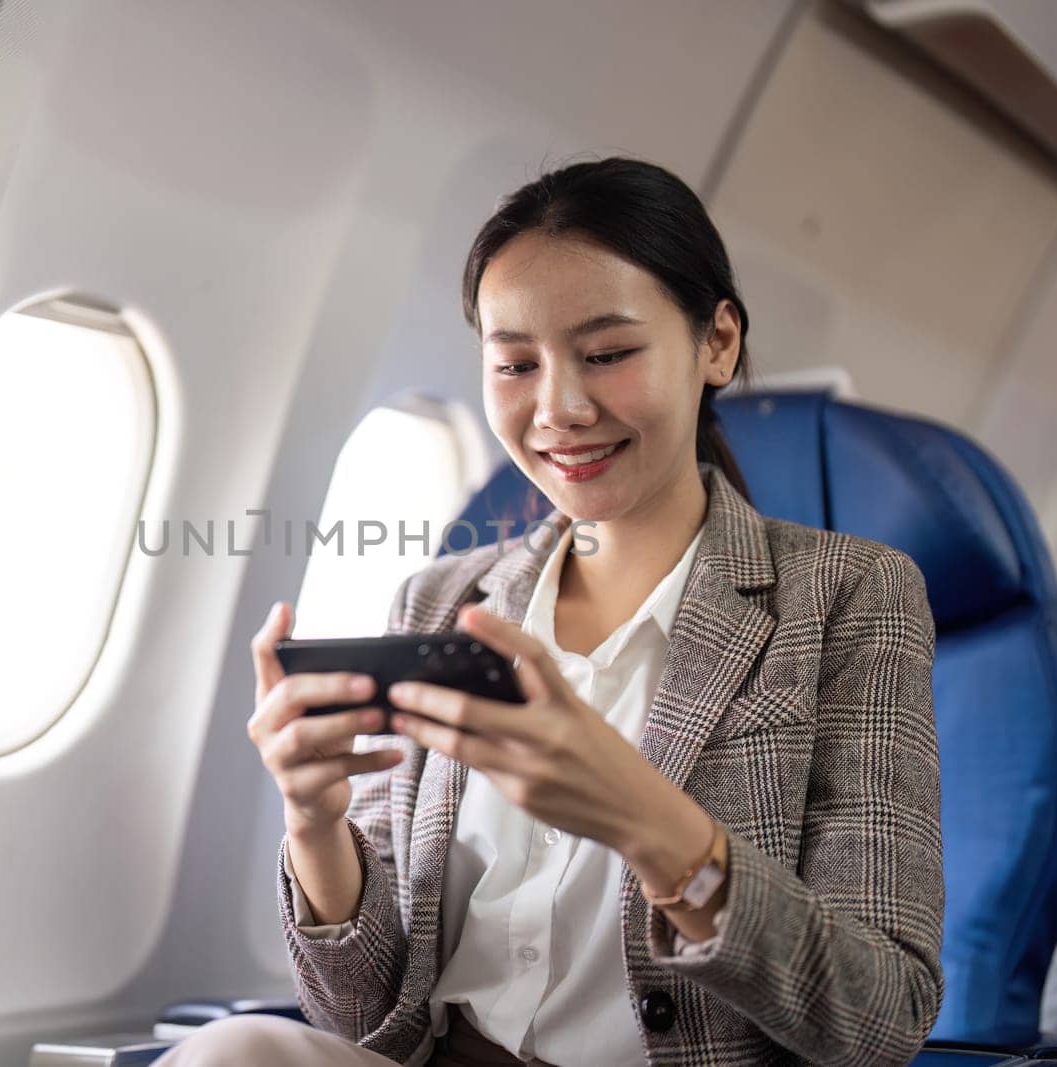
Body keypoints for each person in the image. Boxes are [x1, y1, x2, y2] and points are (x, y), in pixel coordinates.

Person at [158, 157, 943, 1066]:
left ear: (717, 342)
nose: (559, 408)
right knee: (235, 1052)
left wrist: (651, 822)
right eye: (515, 364)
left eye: (608, 355)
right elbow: (361, 1018)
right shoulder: (440, 600)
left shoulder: (849, 597)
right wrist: (315, 823)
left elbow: (881, 1017)